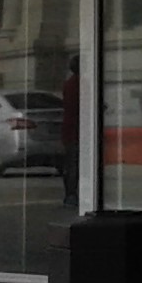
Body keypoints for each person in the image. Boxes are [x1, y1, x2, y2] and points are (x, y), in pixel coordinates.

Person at [59, 55, 80, 206]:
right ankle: (71, 194)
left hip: (69, 130)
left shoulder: (68, 84)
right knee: (74, 165)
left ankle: (70, 194)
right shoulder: (80, 84)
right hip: (77, 130)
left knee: (70, 164)